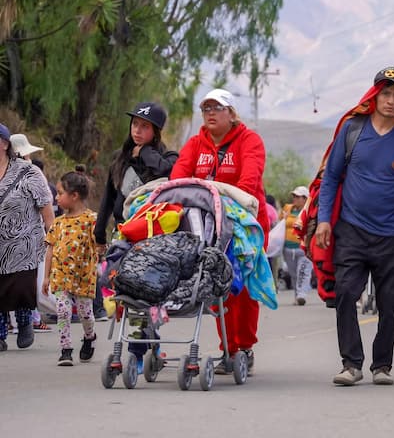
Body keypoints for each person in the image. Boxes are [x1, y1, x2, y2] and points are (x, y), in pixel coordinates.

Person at [316, 66, 394, 386]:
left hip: (393, 235)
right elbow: (331, 178)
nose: (390, 99)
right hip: (351, 230)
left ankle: (381, 365)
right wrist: (324, 220)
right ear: (374, 95)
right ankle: (351, 364)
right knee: (345, 293)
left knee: (389, 304)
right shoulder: (352, 129)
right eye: (385, 93)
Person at [171, 88, 270, 375]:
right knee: (217, 283)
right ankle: (228, 346)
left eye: (217, 108)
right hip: (207, 224)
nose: (211, 113)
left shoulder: (249, 141)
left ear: (231, 113)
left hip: (243, 223)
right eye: (206, 109)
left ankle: (245, 346)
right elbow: (179, 177)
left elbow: (249, 181)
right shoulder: (195, 144)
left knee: (243, 285)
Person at [95, 102, 178, 324]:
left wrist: (145, 152)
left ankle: (144, 345)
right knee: (126, 292)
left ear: (156, 132)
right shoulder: (119, 159)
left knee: (147, 293)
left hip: (154, 238)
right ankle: (137, 348)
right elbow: (108, 199)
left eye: (145, 126)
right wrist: (99, 236)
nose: (137, 131)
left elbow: (164, 170)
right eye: (134, 124)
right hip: (123, 234)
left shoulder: (168, 157)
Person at [0, 123, 54, 351]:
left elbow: (46, 207)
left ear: (4, 144)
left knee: (21, 288)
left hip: (24, 243)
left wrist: (54, 238)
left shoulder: (28, 171)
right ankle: (0, 333)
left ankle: (24, 323)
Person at [41, 166, 98, 366]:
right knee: (63, 311)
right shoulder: (58, 223)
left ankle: (89, 336)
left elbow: (99, 246)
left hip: (83, 277)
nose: (56, 198)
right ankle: (66, 349)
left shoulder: (92, 220)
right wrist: (47, 277)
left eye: (60, 193)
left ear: (74, 196)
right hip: (60, 277)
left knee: (85, 314)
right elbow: (50, 250)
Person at [281, 186, 313, 305]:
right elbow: (279, 225)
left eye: (298, 196)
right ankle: (297, 294)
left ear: (305, 199)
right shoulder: (287, 209)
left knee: (303, 272)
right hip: (288, 249)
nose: (294, 198)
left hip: (304, 248)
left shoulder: (309, 211)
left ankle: (302, 295)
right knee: (294, 274)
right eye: (294, 196)